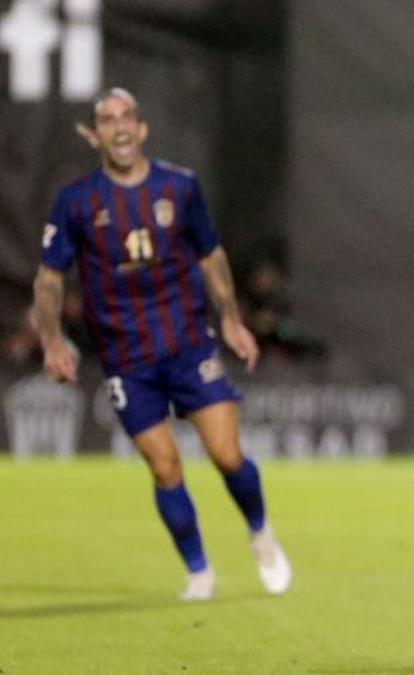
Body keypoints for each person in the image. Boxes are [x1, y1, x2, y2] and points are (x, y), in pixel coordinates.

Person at [32, 87, 291, 601]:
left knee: (225, 455)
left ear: (142, 128)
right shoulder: (77, 201)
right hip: (126, 359)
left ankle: (259, 531)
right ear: (96, 134)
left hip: (189, 345)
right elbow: (48, 279)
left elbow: (211, 259)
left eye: (127, 116)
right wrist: (51, 340)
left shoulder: (180, 187)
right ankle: (198, 571)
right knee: (164, 466)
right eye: (107, 119)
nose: (119, 126)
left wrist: (233, 322)